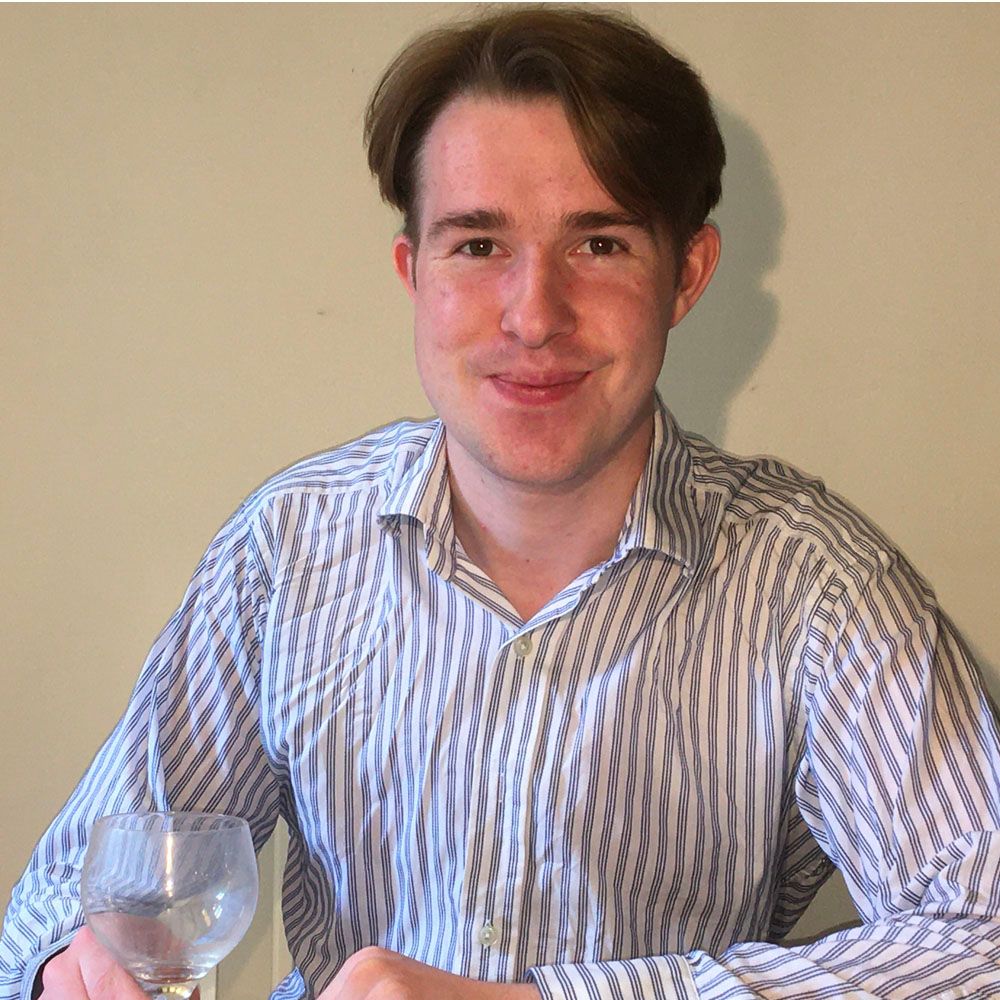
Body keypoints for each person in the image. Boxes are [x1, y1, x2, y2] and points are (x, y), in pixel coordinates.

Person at [3, 7, 1000, 999]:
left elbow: (985, 940)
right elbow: (60, 903)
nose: (534, 315)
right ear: (415, 273)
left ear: (686, 274)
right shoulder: (289, 547)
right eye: (478, 245)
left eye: (599, 244)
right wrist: (71, 965)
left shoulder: (815, 584)